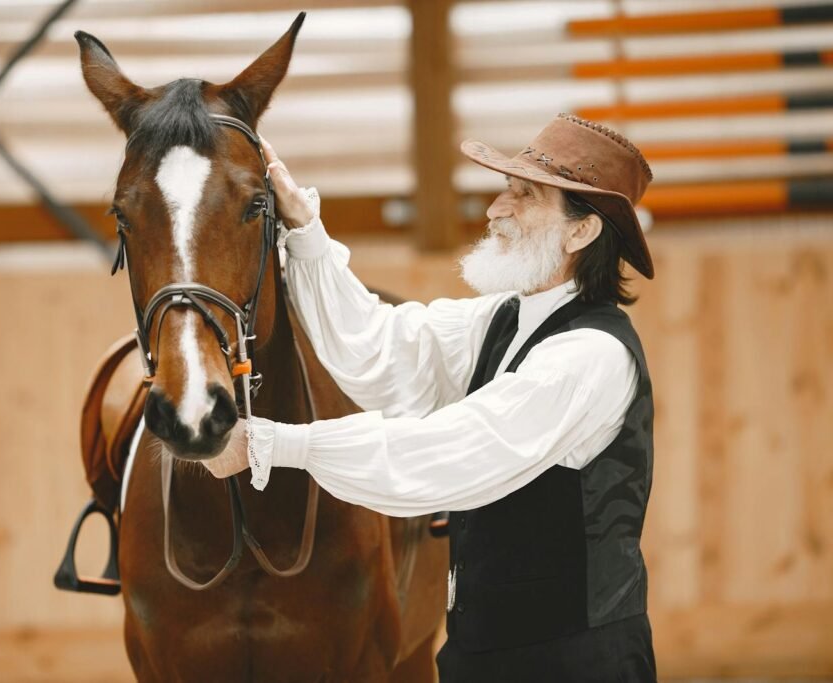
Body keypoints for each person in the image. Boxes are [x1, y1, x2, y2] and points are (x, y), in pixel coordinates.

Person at [204, 112, 658, 681]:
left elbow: (448, 452)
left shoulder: (590, 356)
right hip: (478, 655)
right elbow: (380, 345)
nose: (497, 208)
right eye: (505, 189)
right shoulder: (502, 319)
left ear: (581, 231)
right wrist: (305, 229)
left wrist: (267, 444)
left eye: (525, 195)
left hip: (575, 663)